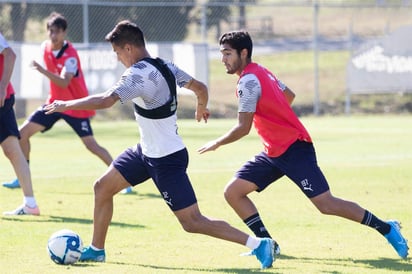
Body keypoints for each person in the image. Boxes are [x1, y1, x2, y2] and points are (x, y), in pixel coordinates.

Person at [43, 20, 275, 269]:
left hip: (166, 159)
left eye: (118, 52)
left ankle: (259, 244)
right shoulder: (166, 65)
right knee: (102, 188)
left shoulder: (137, 74)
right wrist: (201, 107)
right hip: (145, 152)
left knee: (192, 222)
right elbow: (200, 88)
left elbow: (106, 100)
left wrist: (65, 104)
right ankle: (97, 250)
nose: (118, 58)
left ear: (129, 48)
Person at [198, 30, 409, 260]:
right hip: (274, 151)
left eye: (228, 53)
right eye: (222, 54)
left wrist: (217, 143)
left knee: (326, 204)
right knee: (234, 192)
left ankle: (387, 228)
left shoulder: (248, 82)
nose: (223, 59)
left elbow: (243, 127)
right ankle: (267, 244)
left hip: (294, 148)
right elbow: (289, 95)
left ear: (244, 52)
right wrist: (273, 114)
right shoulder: (262, 72)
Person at [1, 12, 134, 194]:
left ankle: (123, 180)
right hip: (54, 105)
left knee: (91, 146)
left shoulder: (70, 55)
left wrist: (41, 70)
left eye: (56, 32)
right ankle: (22, 176)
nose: (52, 36)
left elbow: (64, 82)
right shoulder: (45, 47)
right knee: (22, 135)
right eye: (50, 32)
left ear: (64, 33)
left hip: (74, 107)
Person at [0, 32, 40, 215]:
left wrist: (1, 87)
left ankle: (30, 204)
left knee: (12, 150)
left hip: (2, 100)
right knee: (12, 151)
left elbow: (10, 54)